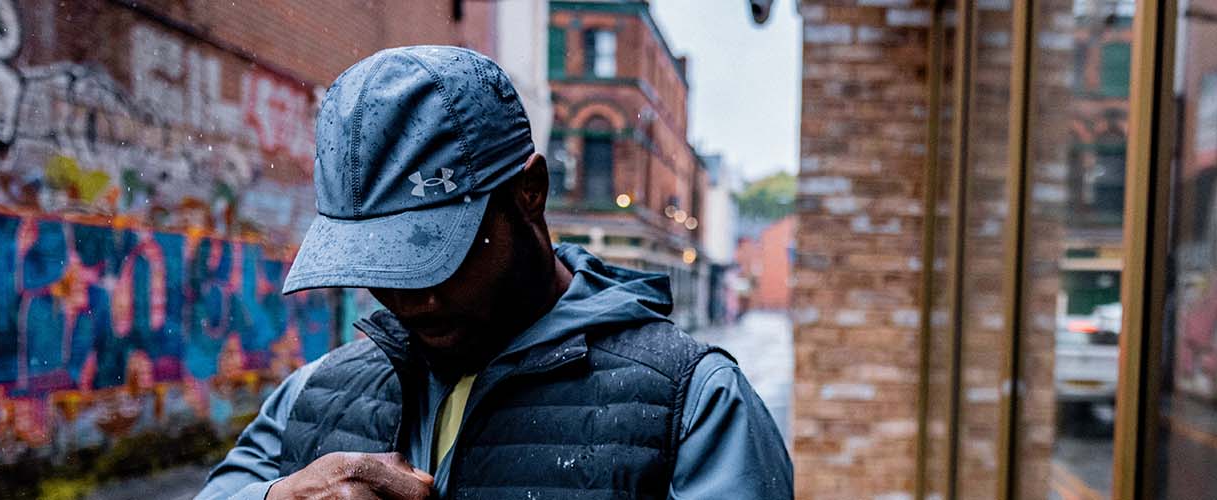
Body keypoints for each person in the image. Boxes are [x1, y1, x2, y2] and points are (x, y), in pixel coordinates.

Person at [193, 46, 795, 500]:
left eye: (436, 254)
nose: (411, 299)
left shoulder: (694, 407)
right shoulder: (313, 394)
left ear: (529, 193)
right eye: (379, 265)